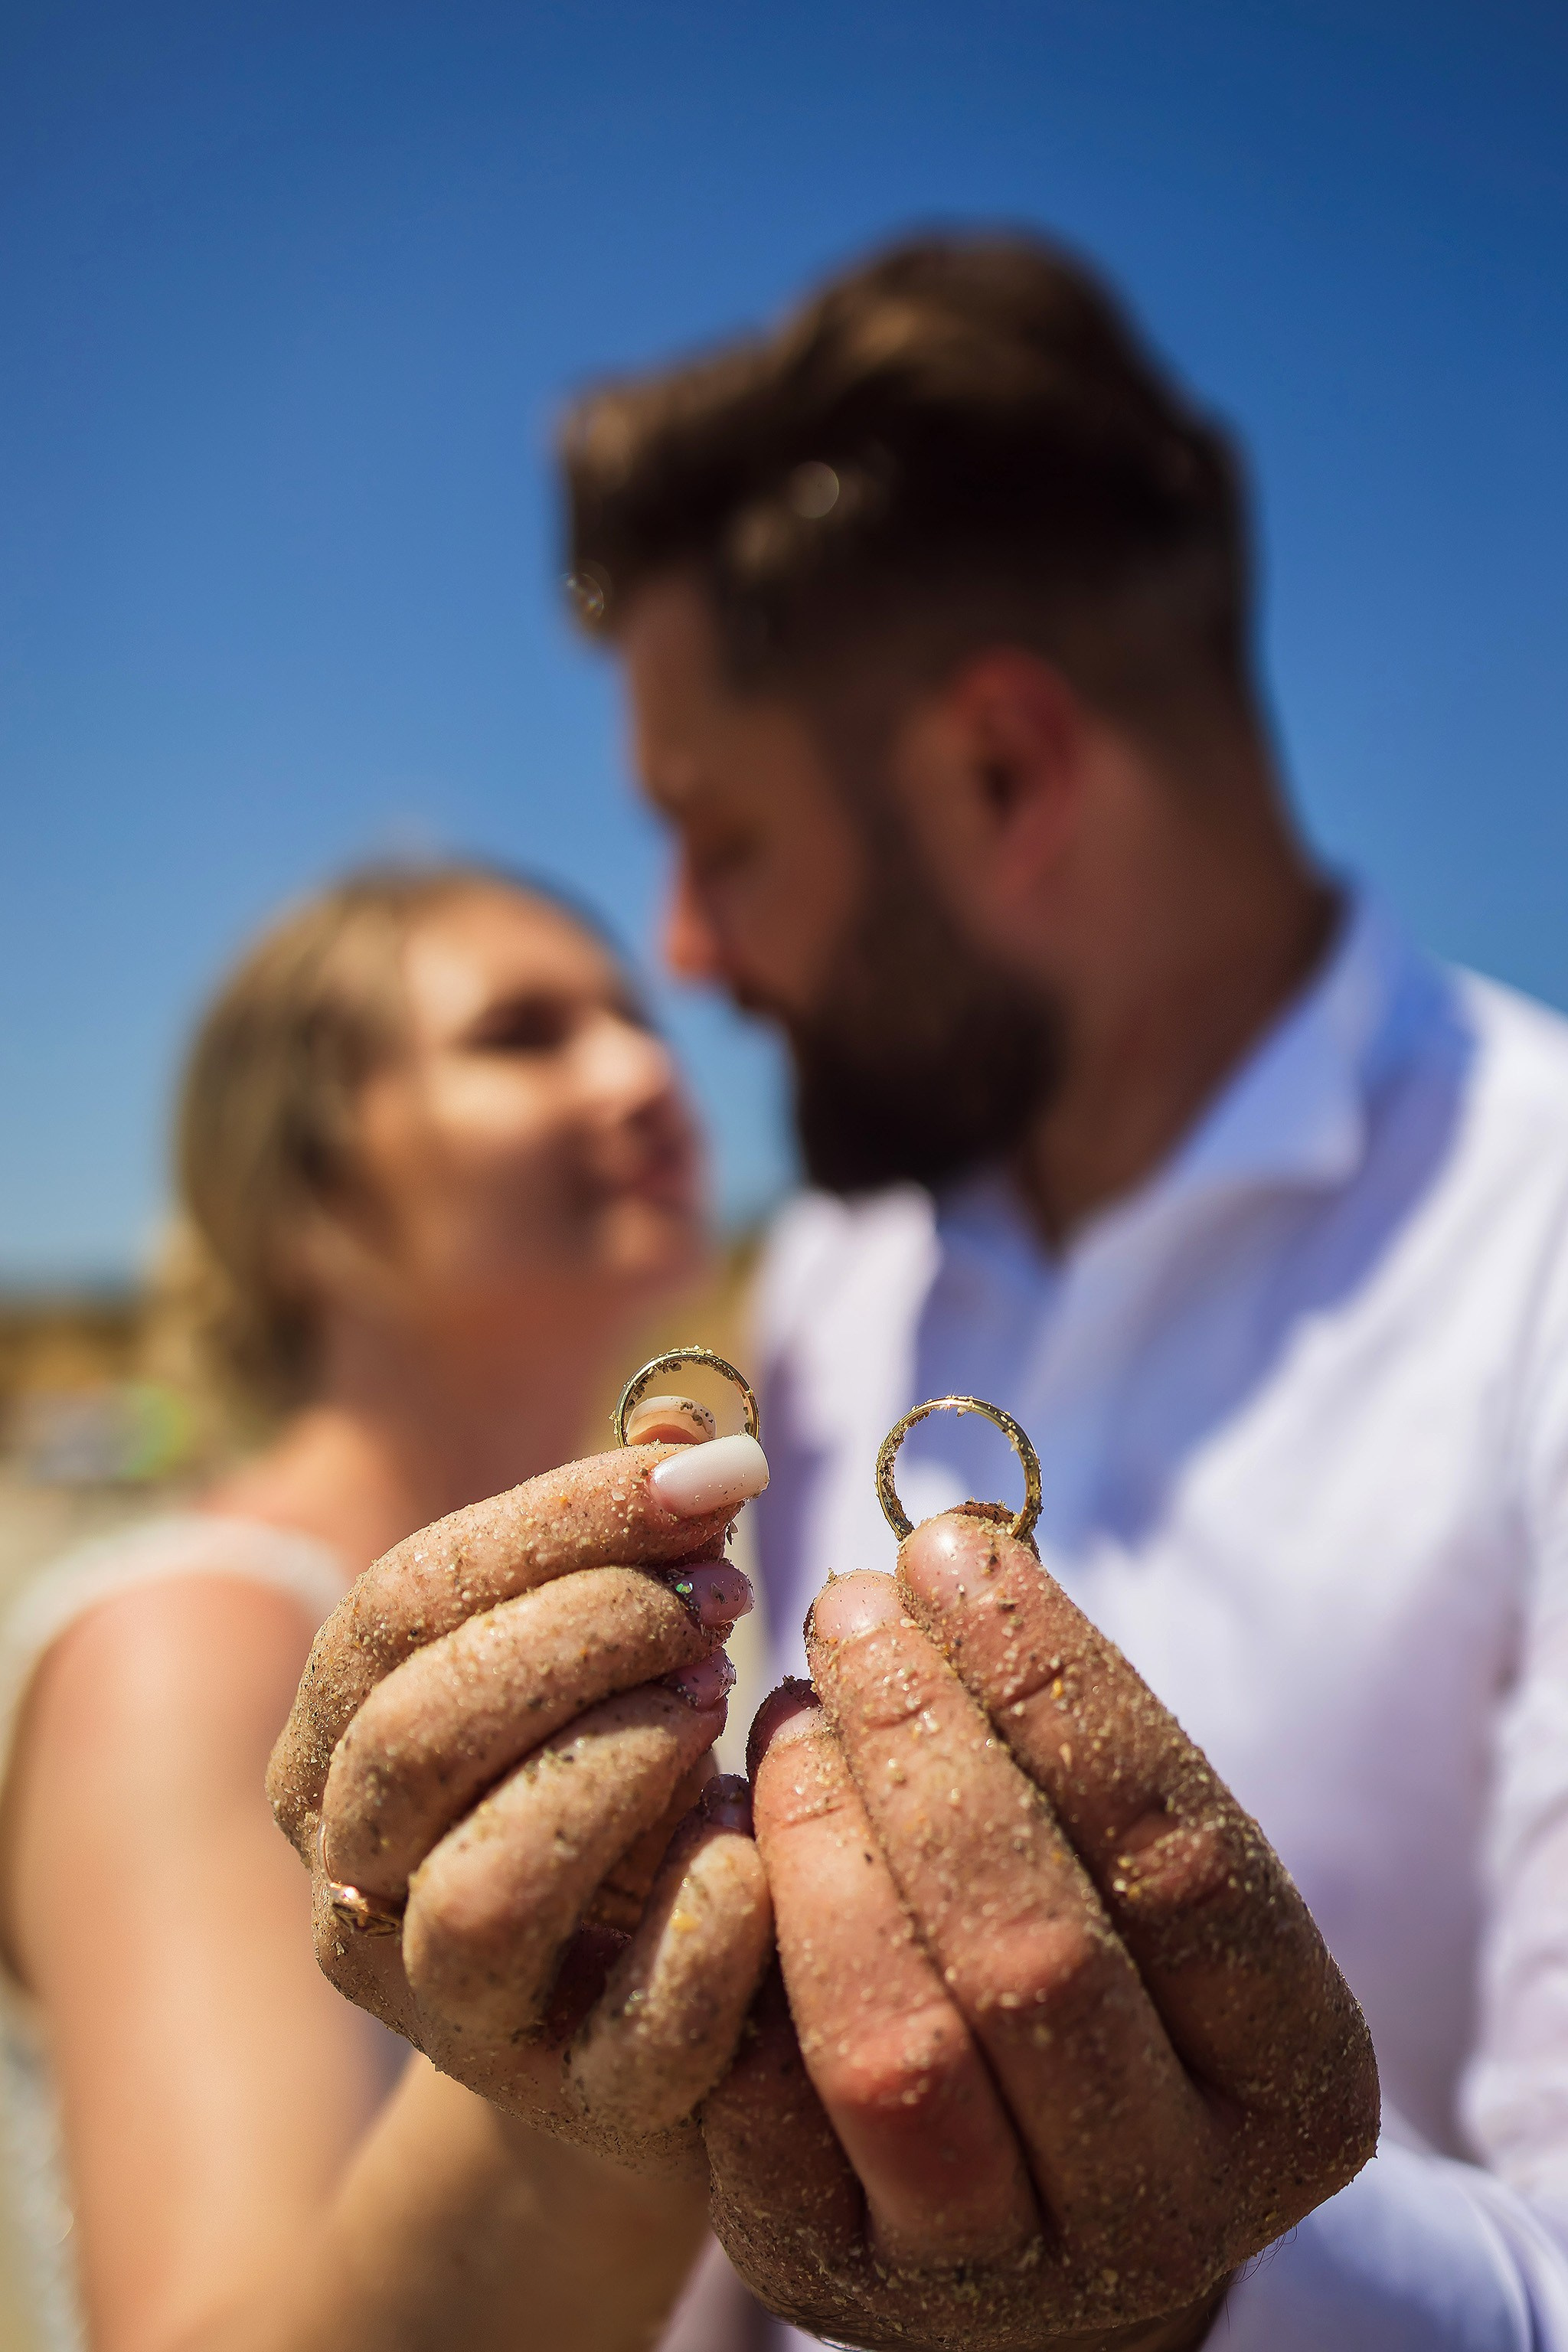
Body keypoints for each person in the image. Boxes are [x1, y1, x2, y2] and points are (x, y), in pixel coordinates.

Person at [542, 235, 1568, 2342]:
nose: (688, 957)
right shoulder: (841, 1274)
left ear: (1004, 773)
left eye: (717, 839)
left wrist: (1197, 2281)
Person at [0, 864, 771, 2352]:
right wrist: (588, 2121)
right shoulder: (186, 1648)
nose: (643, 1070)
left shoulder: (709, 1585)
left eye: (632, 1017)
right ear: (305, 1189)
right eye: (521, 1036)